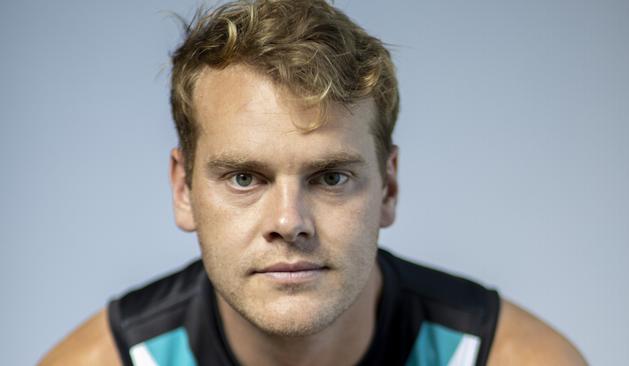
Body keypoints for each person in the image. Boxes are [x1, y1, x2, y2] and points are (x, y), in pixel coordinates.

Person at [40, 0, 587, 365]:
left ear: (388, 189)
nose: (288, 222)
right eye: (243, 177)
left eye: (331, 177)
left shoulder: (512, 357)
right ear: (183, 190)